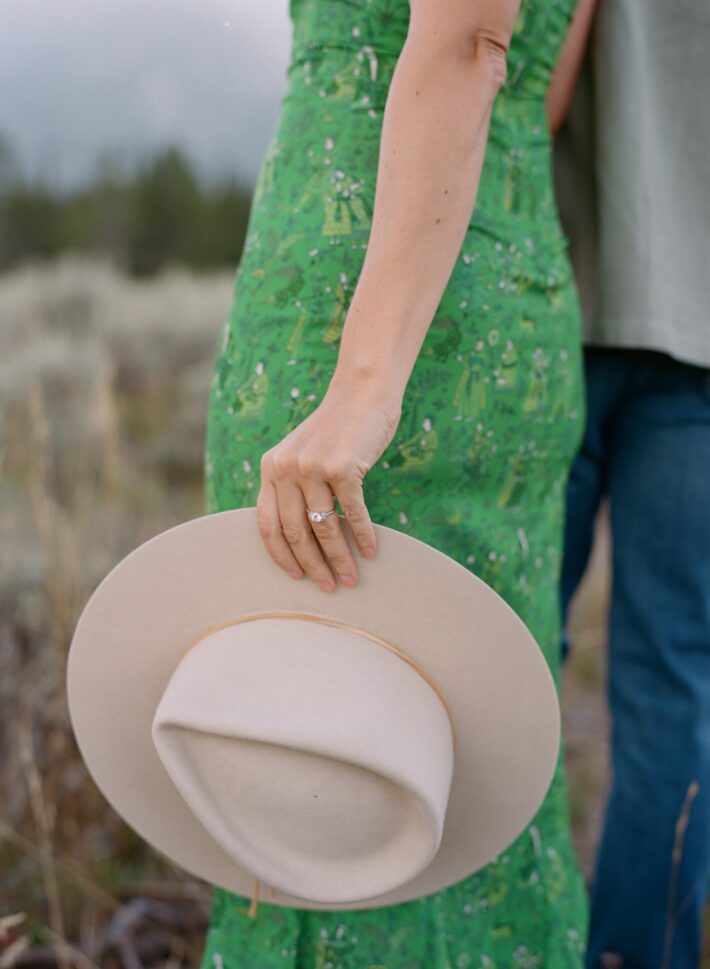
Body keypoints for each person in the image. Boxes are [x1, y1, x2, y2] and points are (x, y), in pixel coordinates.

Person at [201, 0, 595, 963]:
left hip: (367, 328)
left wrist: (364, 390)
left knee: (324, 756)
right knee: (458, 771)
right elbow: (542, 90)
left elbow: (469, 47)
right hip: (506, 290)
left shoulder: (363, 371)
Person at [555, 0, 710, 964]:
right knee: (673, 683)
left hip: (546, 305)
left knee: (504, 663)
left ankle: (492, 941)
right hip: (699, 325)